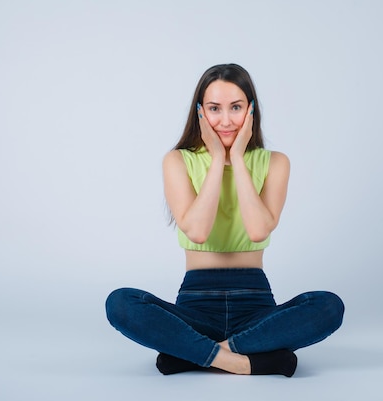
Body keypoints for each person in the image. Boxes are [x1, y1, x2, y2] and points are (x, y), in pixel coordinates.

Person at [105, 64, 344, 377]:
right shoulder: (178, 160)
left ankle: (193, 353)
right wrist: (218, 158)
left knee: (329, 306)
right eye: (215, 109)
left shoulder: (275, 162)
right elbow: (198, 231)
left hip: (255, 305)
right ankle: (246, 360)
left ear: (251, 110)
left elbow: (258, 231)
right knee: (120, 303)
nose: (226, 120)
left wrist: (239, 161)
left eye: (236, 108)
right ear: (201, 113)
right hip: (195, 304)